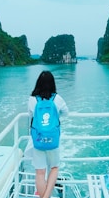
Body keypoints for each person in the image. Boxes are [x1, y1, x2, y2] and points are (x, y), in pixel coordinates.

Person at [28, 70, 69, 198]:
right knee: (54, 168)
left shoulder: (32, 99)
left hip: (38, 139)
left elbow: (31, 116)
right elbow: (66, 112)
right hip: (53, 139)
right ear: (52, 84)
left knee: (40, 172)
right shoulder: (57, 99)